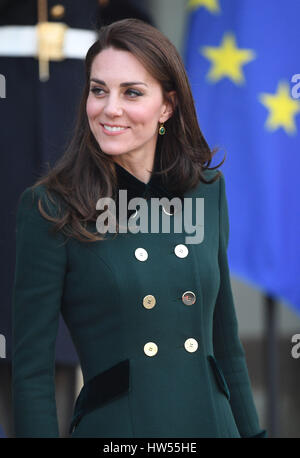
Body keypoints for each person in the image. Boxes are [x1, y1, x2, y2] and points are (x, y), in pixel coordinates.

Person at [12, 18, 266, 438]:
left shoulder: (205, 191)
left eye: (131, 92)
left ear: (167, 106)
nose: (110, 108)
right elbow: (32, 372)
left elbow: (226, 346)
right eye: (98, 90)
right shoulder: (50, 207)